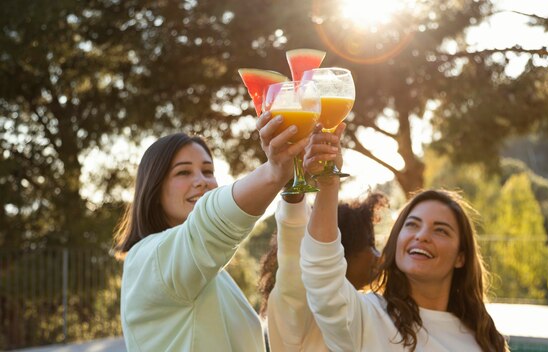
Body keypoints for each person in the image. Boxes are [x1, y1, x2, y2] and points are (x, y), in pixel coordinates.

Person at [299, 128, 510, 351]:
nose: (421, 236)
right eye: (412, 225)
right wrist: (329, 183)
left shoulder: (483, 341)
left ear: (461, 257)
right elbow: (322, 272)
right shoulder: (366, 317)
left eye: (441, 230)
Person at [113, 111, 307, 352]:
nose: (202, 181)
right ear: (154, 190)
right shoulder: (146, 259)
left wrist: (293, 189)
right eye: (183, 172)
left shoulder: (211, 275)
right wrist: (273, 172)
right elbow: (210, 223)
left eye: (207, 171)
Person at [257, 182, 388, 352]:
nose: (377, 256)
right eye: (370, 244)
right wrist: (293, 184)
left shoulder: (360, 309)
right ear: (338, 248)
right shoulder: (299, 298)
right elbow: (293, 244)